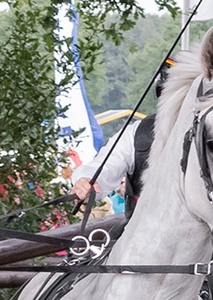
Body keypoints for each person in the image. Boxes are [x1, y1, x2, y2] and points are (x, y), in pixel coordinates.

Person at [70, 58, 173, 215]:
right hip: (144, 233)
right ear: (161, 95)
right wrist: (86, 180)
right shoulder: (137, 135)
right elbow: (106, 166)